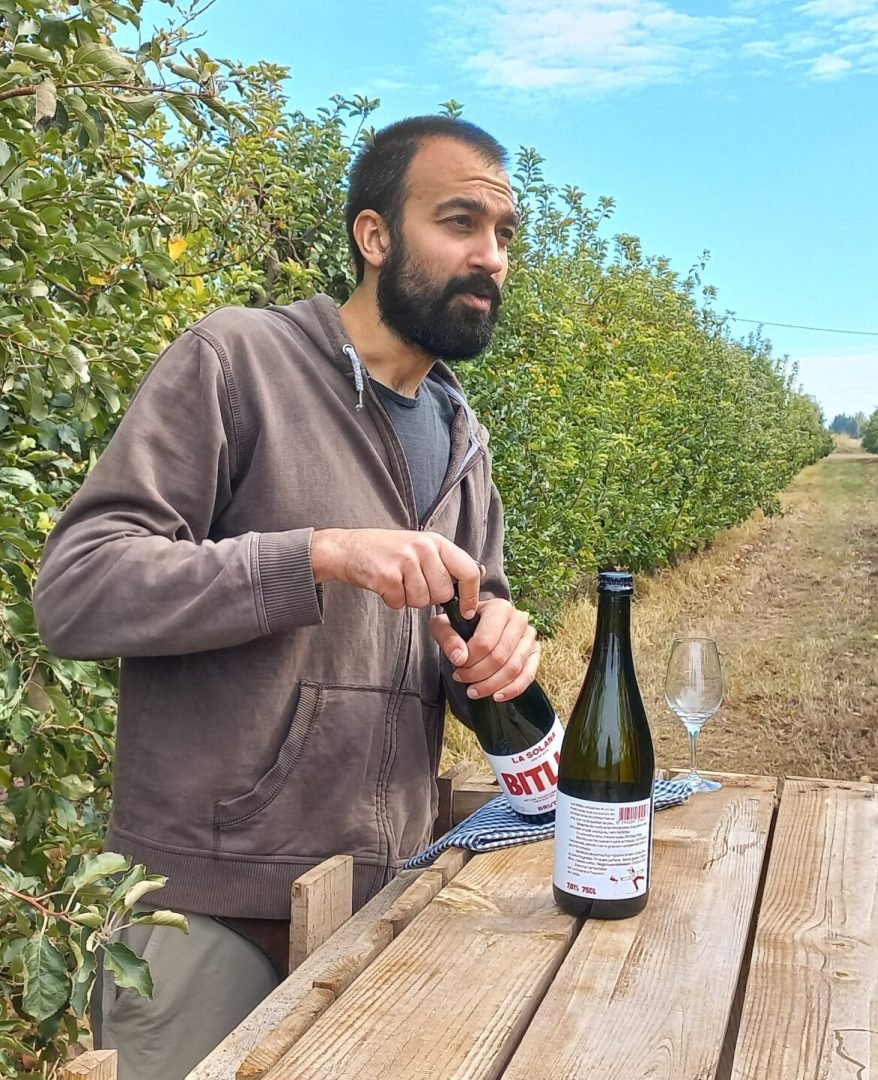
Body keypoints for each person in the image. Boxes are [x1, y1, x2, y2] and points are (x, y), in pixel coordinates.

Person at [32, 115, 539, 1078]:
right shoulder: (238, 361)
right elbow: (80, 587)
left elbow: (467, 647)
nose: (489, 257)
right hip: (207, 912)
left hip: (382, 901)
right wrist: (314, 555)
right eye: (460, 222)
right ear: (374, 235)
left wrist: (498, 655)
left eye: (504, 236)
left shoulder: (461, 437)